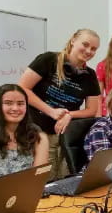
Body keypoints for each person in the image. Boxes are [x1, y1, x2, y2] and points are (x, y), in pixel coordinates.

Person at [18, 29, 101, 180]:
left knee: (64, 181)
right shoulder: (48, 60)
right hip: (38, 133)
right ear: (73, 40)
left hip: (64, 136)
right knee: (41, 182)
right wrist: (51, 111)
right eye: (85, 44)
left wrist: (69, 114)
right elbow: (22, 89)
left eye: (94, 49)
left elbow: (92, 110)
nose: (89, 51)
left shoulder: (90, 75)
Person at [0, 84, 49, 185]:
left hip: (27, 196)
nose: (15, 108)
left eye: (20, 104)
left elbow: (38, 181)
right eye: (8, 103)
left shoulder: (39, 138)